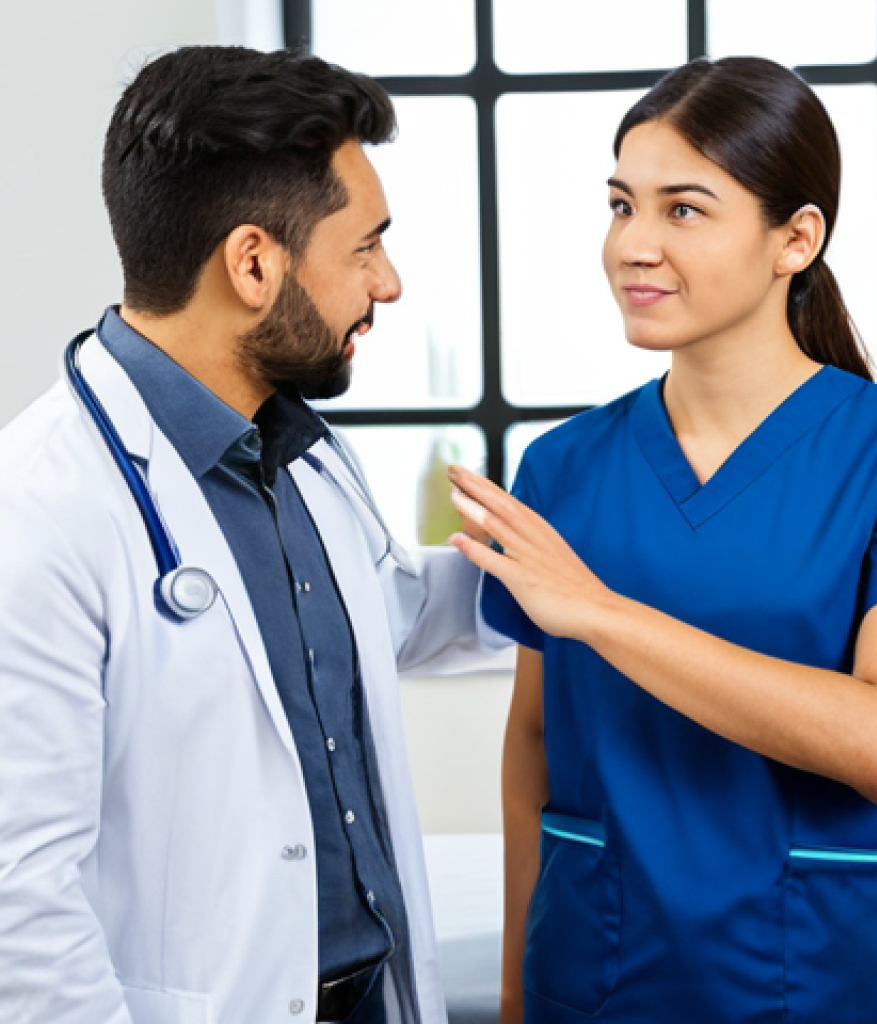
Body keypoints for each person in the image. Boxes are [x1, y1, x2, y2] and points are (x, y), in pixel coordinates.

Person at [447, 56, 877, 1023]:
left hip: (844, 981)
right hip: (600, 979)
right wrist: (514, 993)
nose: (634, 244)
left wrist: (603, 615)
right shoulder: (564, 469)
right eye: (622, 204)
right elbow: (538, 741)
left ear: (794, 238)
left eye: (683, 210)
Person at [0, 46, 505, 1024]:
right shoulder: (39, 504)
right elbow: (19, 895)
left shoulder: (299, 455)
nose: (388, 283)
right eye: (364, 247)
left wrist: (574, 578)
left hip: (368, 996)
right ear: (253, 261)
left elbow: (385, 609)